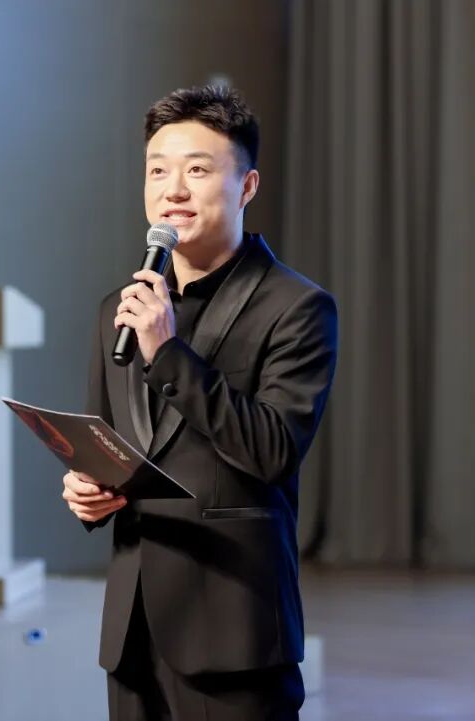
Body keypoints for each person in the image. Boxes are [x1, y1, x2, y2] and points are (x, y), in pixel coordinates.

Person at [61, 85, 338, 721]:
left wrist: (168, 353)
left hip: (233, 629)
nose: (173, 190)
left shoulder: (297, 307)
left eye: (198, 170)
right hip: (132, 632)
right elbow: (108, 448)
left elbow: (273, 451)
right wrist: (86, 491)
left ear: (247, 187)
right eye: (157, 171)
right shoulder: (118, 310)